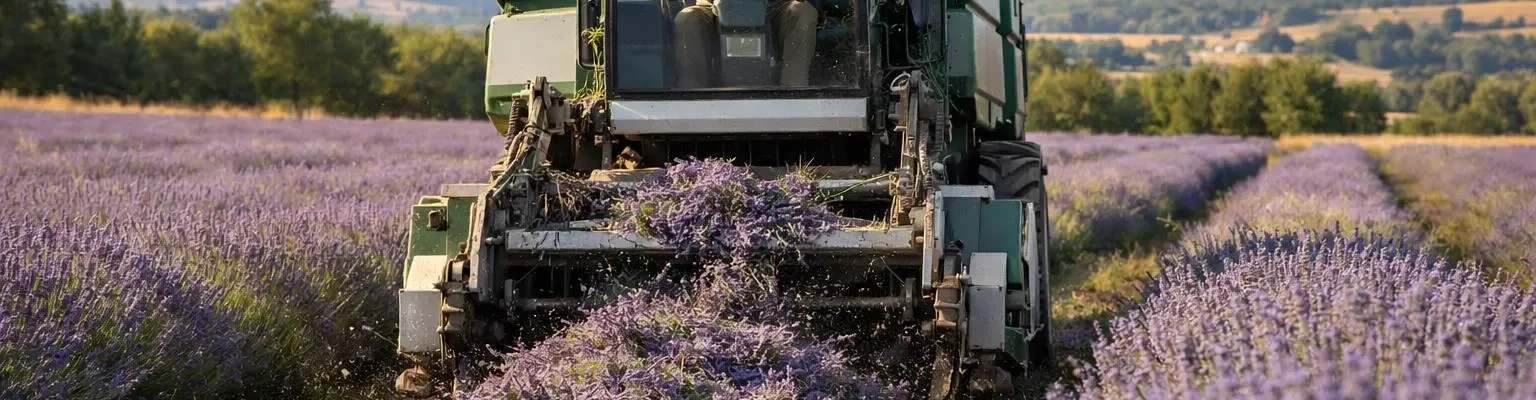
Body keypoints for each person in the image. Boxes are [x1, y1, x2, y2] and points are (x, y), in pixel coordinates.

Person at [673, 0, 818, 88]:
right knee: (687, 20)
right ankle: (694, 97)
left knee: (803, 14)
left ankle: (794, 93)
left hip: (774, 6)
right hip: (712, 7)